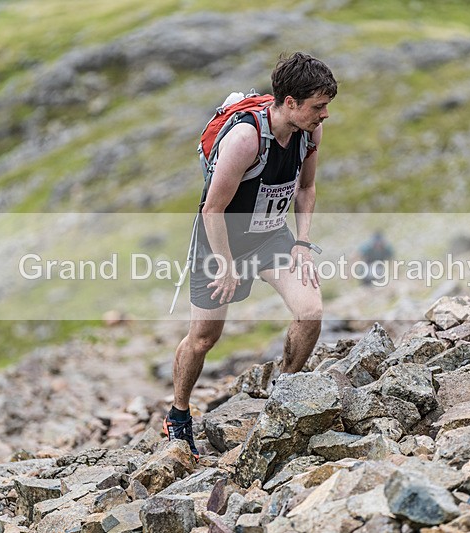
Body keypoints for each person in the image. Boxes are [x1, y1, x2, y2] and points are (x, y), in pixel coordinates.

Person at [164, 52, 337, 459]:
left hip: (270, 236)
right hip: (220, 240)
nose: (325, 114)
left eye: (326, 105)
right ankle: (179, 414)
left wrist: (302, 242)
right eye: (318, 106)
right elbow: (212, 210)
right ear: (290, 102)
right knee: (204, 337)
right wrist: (225, 265)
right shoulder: (246, 140)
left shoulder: (310, 133)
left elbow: (305, 188)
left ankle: (283, 394)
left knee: (310, 311)